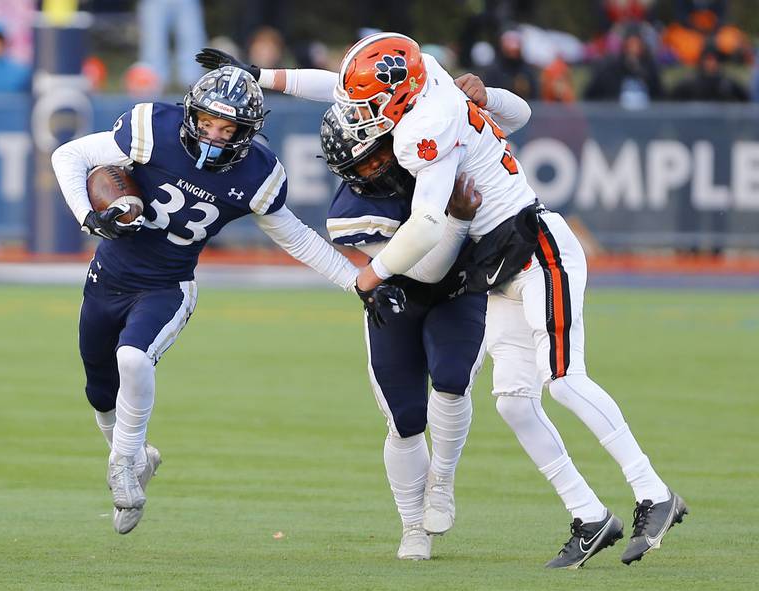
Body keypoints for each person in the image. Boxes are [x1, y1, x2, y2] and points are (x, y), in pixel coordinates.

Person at [199, 33, 688, 568]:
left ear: (401, 94)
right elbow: (506, 112)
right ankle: (590, 515)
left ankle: (653, 493)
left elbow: (430, 224)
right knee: (514, 403)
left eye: (370, 107)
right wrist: (260, 75)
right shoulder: (424, 73)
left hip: (533, 244)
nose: (361, 114)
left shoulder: (419, 131)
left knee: (566, 379)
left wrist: (371, 276)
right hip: (495, 266)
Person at [51, 65, 361, 535]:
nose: (214, 136)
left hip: (168, 285)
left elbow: (296, 238)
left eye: (228, 128)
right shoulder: (151, 129)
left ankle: (121, 463)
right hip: (108, 275)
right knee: (98, 388)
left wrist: (357, 281)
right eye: (208, 123)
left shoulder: (258, 173)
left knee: (133, 358)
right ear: (190, 114)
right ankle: (138, 456)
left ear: (247, 131)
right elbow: (69, 156)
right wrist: (88, 218)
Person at [320, 107, 487, 560]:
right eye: (362, 167)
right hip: (398, 299)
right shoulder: (351, 213)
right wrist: (457, 221)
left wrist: (481, 92)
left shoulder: (428, 151)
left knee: (452, 380)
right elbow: (426, 268)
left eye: (377, 156)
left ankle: (443, 482)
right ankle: (413, 526)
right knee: (405, 420)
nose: (375, 170)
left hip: (459, 289)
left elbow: (517, 112)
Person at [671, 43, 749, 102]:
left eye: (714, 60)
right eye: (708, 59)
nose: (711, 63)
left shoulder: (726, 83)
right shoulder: (690, 83)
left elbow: (745, 98)